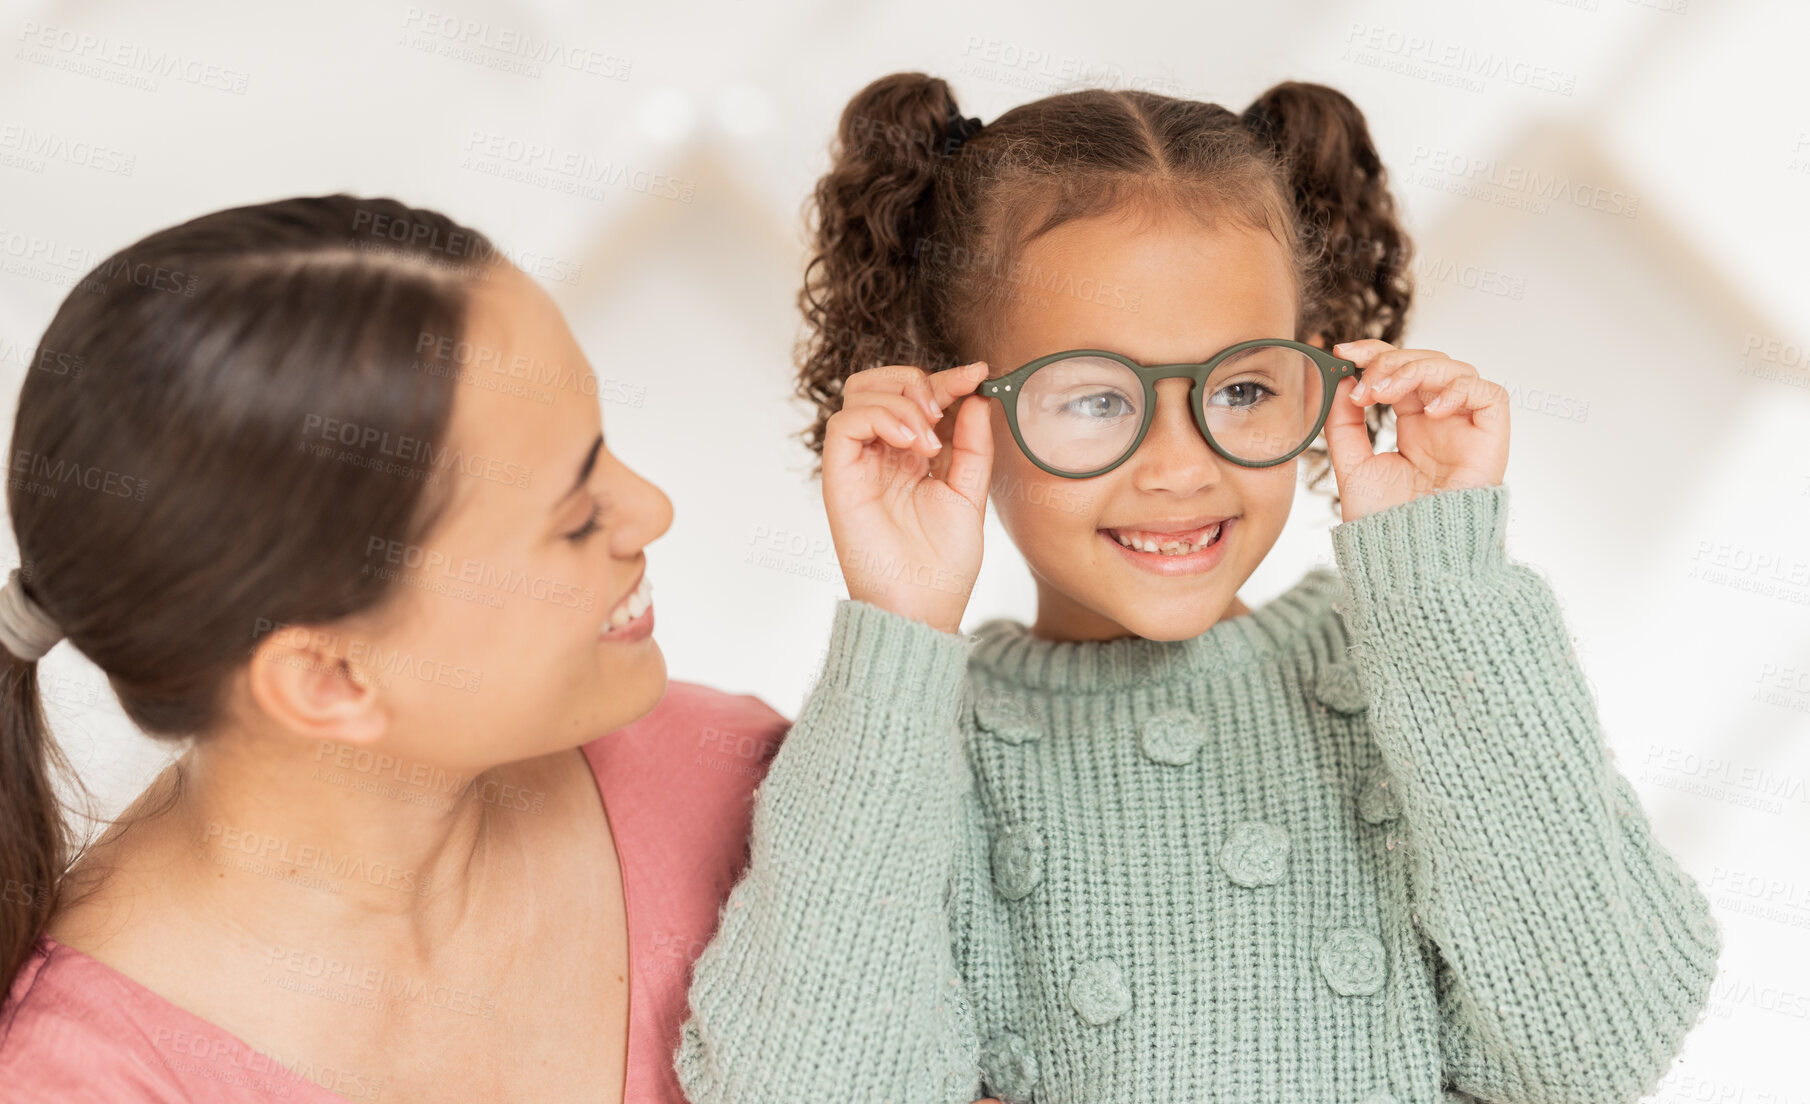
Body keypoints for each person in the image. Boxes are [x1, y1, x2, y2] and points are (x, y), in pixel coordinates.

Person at [673, 75, 1723, 1103]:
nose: (1181, 466)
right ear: (954, 408)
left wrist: (1438, 578)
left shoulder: (1408, 662)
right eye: (1091, 397)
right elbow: (803, 1083)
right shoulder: (911, 744)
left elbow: (1597, 1042)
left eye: (1242, 388)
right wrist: (899, 626)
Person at [0, 194, 787, 1103]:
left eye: (602, 447)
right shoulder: (84, 1082)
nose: (652, 508)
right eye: (574, 517)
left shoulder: (760, 791)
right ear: (329, 678)